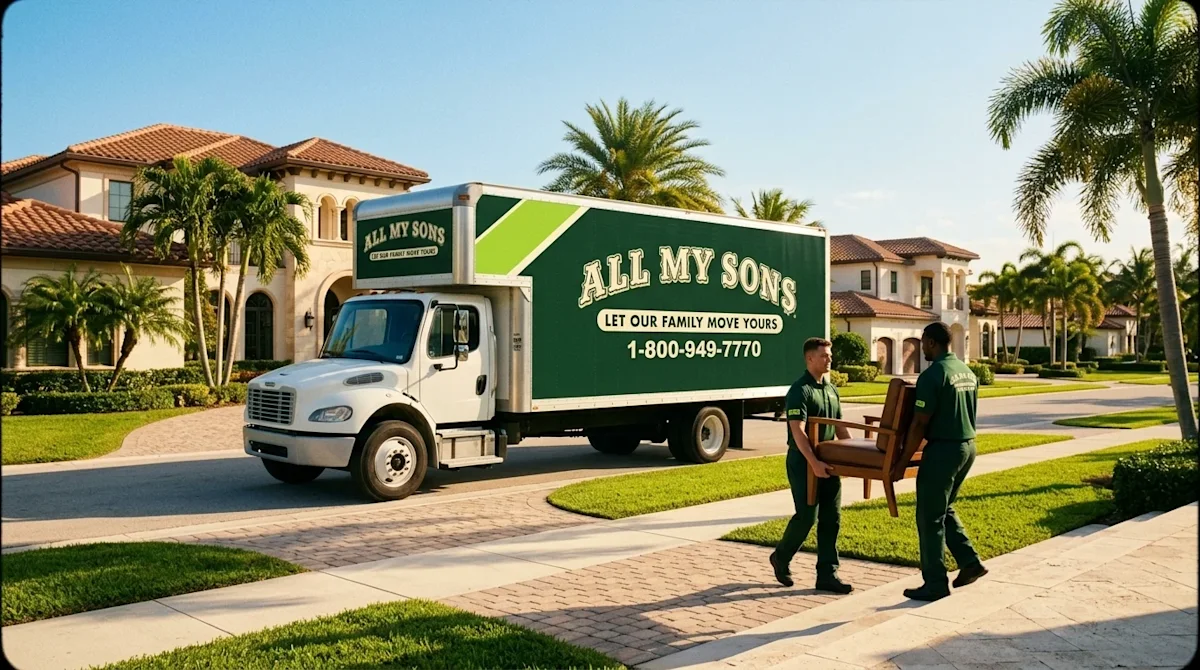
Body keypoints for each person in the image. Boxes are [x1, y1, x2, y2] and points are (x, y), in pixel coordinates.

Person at [902, 322, 988, 602]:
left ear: (930, 342)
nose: (922, 347)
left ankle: (935, 583)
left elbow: (918, 425)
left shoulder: (933, 375)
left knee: (929, 517)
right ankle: (970, 562)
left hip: (943, 452)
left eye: (923, 342)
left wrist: (902, 460)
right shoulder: (966, 371)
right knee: (944, 507)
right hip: (967, 447)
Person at [769, 337, 854, 594]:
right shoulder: (800, 391)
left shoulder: (831, 390)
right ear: (809, 359)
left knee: (832, 518)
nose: (830, 359)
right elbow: (798, 431)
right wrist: (814, 462)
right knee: (807, 517)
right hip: (803, 462)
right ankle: (781, 558)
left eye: (830, 355)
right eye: (824, 355)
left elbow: (839, 427)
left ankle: (827, 575)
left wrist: (853, 456)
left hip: (829, 463)